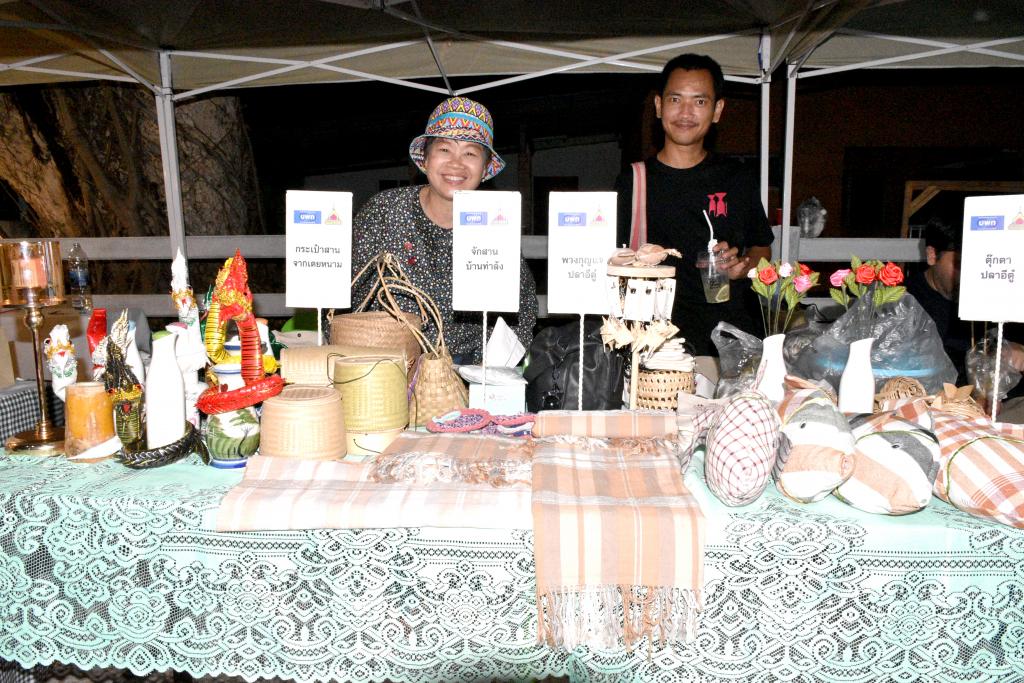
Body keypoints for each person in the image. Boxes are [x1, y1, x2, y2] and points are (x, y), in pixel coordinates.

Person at [349, 97, 537, 363]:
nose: (456, 164)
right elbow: (349, 298)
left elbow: (523, 308)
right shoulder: (384, 211)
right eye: (445, 149)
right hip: (389, 362)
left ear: (484, 169)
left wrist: (488, 370)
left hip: (470, 365)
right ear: (425, 159)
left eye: (470, 153)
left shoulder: (494, 221)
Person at [615, 53, 773, 356]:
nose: (685, 112)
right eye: (675, 99)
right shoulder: (633, 181)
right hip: (657, 343)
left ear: (717, 110)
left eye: (699, 101)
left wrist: (742, 267)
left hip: (728, 342)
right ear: (659, 106)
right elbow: (612, 260)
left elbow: (761, 248)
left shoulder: (736, 178)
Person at [907, 216, 1024, 410]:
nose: (971, 275)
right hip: (942, 408)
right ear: (932, 255)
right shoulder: (905, 304)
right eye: (961, 264)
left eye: (982, 264)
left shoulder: (1001, 291)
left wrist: (1018, 351)